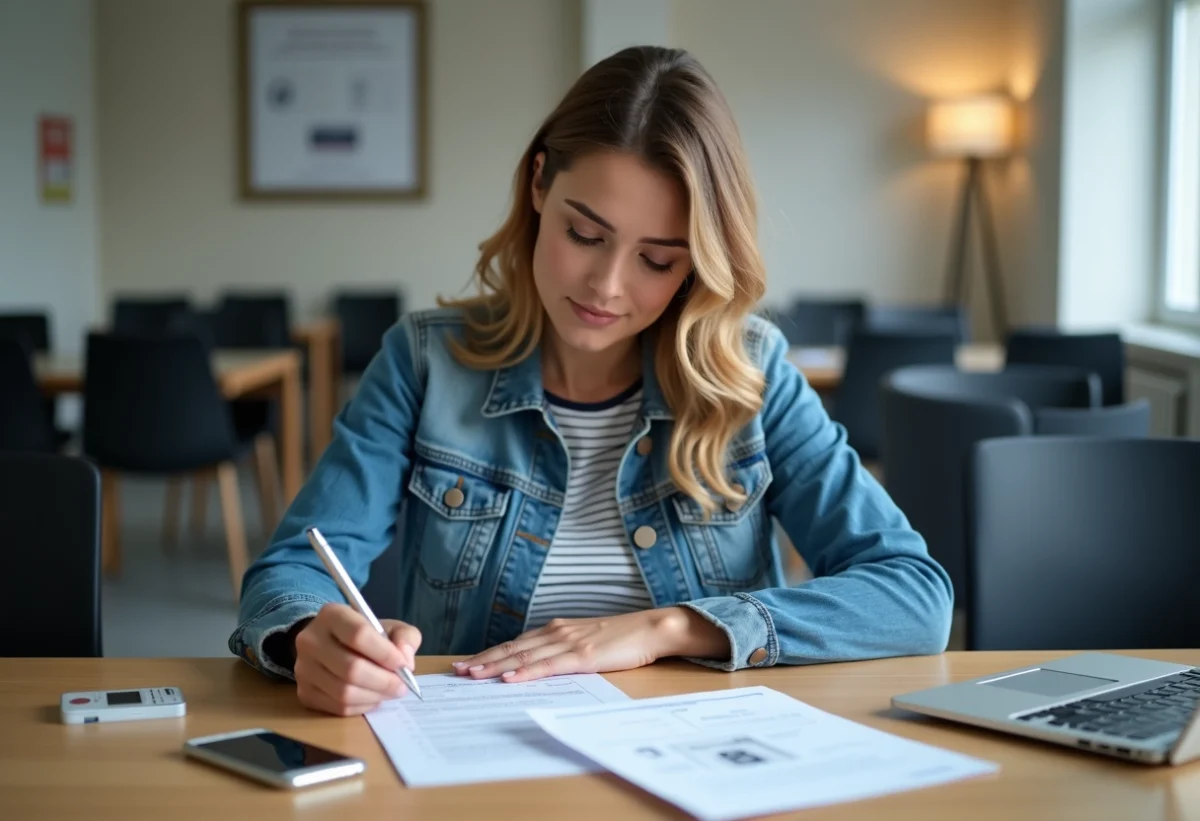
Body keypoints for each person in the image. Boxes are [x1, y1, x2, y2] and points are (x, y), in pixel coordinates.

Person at [229, 45, 952, 717]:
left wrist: (669, 627)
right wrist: (307, 639)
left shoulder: (752, 375)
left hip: (702, 756)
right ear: (539, 183)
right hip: (475, 756)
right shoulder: (424, 363)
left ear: (698, 261)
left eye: (657, 260)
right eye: (585, 234)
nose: (607, 285)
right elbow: (292, 571)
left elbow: (914, 595)